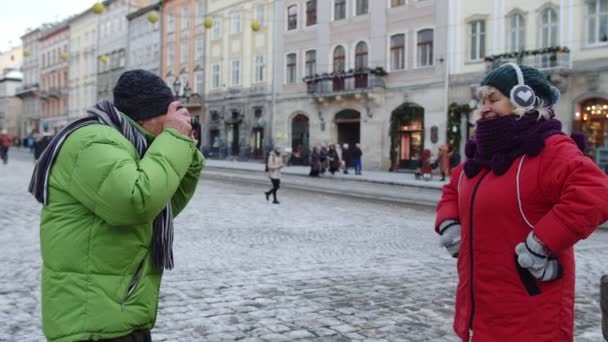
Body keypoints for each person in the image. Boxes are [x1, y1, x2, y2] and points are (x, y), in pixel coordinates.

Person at [28, 69, 205, 342]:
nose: (178, 122)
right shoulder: (94, 141)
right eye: (169, 116)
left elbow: (160, 205)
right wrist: (174, 139)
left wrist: (187, 152)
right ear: (149, 117)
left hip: (117, 311)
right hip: (92, 322)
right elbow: (135, 203)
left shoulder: (129, 144)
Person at [435, 63, 608, 341]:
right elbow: (454, 187)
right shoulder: (482, 152)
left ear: (523, 99)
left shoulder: (550, 147)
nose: (485, 108)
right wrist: (449, 224)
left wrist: (540, 245)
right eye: (482, 101)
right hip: (480, 306)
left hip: (530, 313)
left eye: (493, 99)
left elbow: (597, 191)